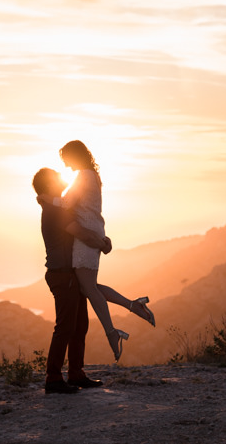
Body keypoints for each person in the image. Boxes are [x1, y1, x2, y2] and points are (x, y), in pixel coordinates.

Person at [50, 139, 155, 362]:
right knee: (90, 286)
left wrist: (46, 199)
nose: (66, 166)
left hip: (86, 236)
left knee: (88, 287)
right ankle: (132, 305)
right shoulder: (92, 176)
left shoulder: (84, 176)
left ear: (74, 156)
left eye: (67, 160)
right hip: (94, 231)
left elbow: (67, 202)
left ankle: (112, 332)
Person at [33, 167, 110, 394]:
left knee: (79, 326)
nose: (62, 179)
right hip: (62, 274)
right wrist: (103, 243)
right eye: (56, 178)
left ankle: (76, 373)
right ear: (49, 185)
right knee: (66, 326)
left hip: (69, 275)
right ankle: (53, 378)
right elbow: (81, 233)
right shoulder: (55, 212)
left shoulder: (54, 207)